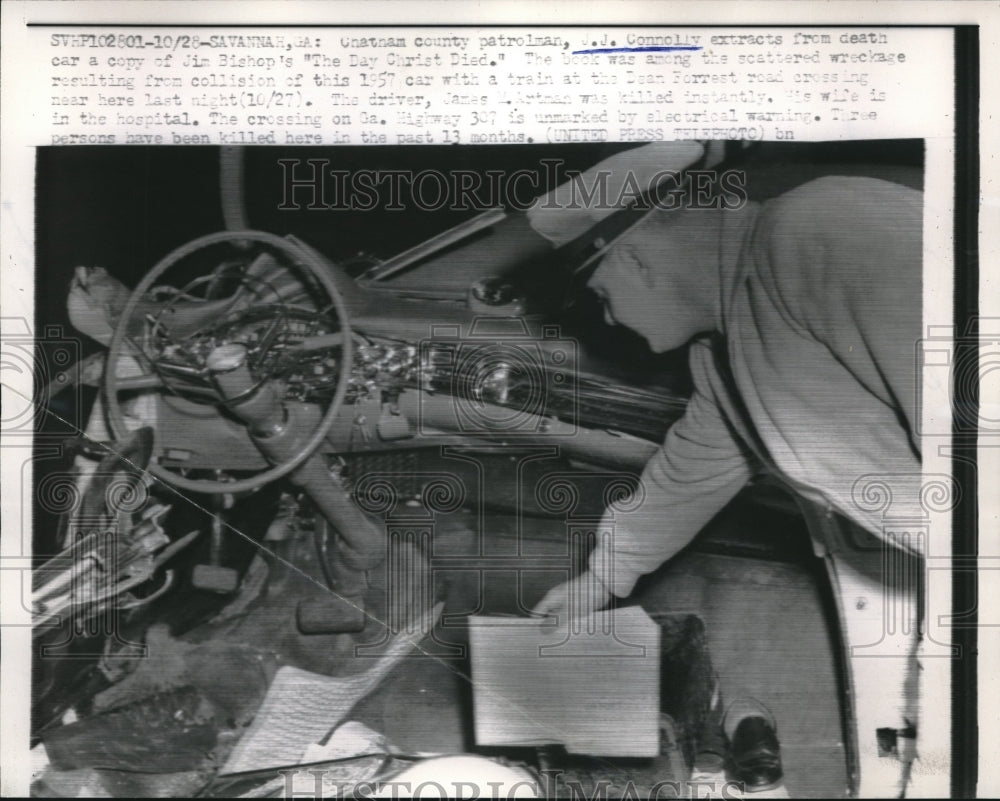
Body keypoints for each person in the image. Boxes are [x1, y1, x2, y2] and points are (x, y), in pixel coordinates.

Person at [531, 171, 924, 621]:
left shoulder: (824, 228)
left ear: (636, 262)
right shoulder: (728, 338)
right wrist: (601, 580)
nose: (611, 319)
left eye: (602, 297)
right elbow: (698, 464)